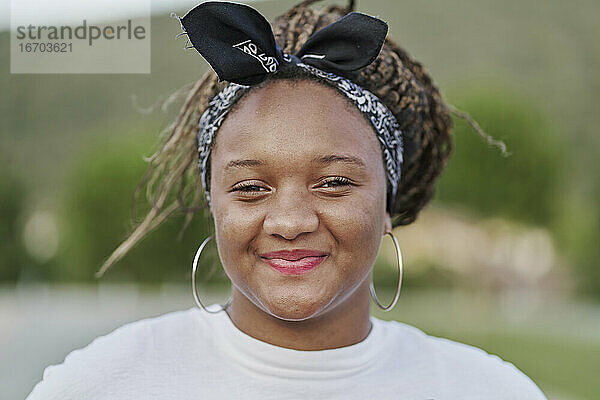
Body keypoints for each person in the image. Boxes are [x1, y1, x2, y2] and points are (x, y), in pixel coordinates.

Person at [27, 1, 548, 399]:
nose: (291, 221)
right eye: (250, 187)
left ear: (388, 201)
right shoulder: (105, 383)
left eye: (334, 182)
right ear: (214, 204)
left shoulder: (487, 390)